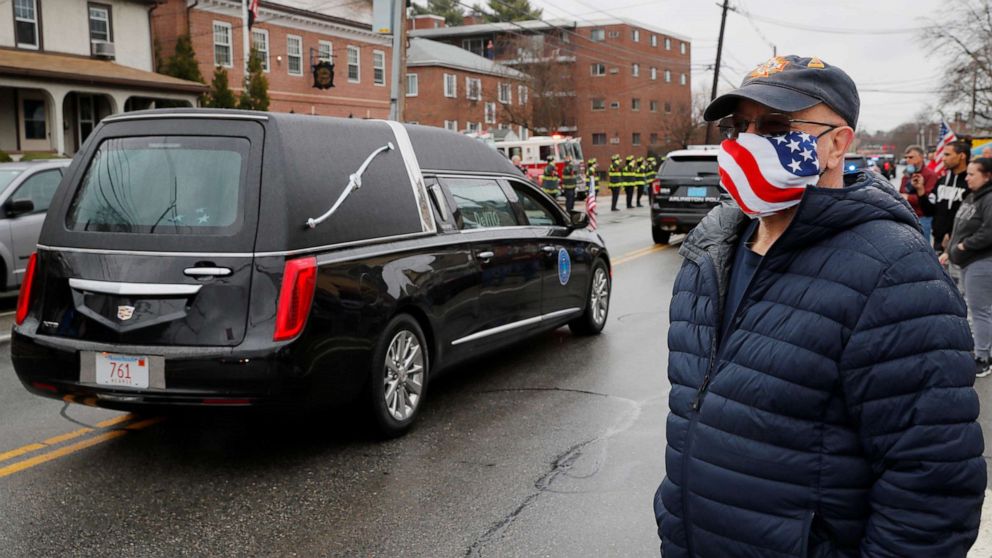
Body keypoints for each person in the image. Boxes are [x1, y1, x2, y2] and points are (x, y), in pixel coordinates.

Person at [654, 55, 985, 558]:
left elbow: (932, 487)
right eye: (738, 126)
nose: (747, 141)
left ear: (836, 143)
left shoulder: (894, 273)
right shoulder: (708, 253)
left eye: (775, 126)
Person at [940, 157, 992, 377]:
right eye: (968, 173)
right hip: (967, 260)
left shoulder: (989, 198)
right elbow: (962, 226)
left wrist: (963, 246)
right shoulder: (973, 196)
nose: (967, 178)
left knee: (979, 311)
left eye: (972, 174)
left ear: (987, 176)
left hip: (981, 261)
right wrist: (949, 250)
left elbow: (989, 232)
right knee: (978, 310)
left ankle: (983, 358)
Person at [920, 140, 969, 252]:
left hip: (962, 243)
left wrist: (952, 235)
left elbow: (972, 217)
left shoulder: (971, 182)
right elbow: (929, 211)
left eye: (947, 154)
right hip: (938, 241)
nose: (943, 159)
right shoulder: (942, 181)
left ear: (962, 156)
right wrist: (921, 192)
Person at [901, 145, 938, 241]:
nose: (907, 160)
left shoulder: (930, 174)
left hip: (923, 217)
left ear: (921, 157)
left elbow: (929, 199)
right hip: (908, 216)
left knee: (923, 246)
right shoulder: (906, 174)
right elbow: (901, 194)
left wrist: (908, 197)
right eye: (906, 157)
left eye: (911, 157)